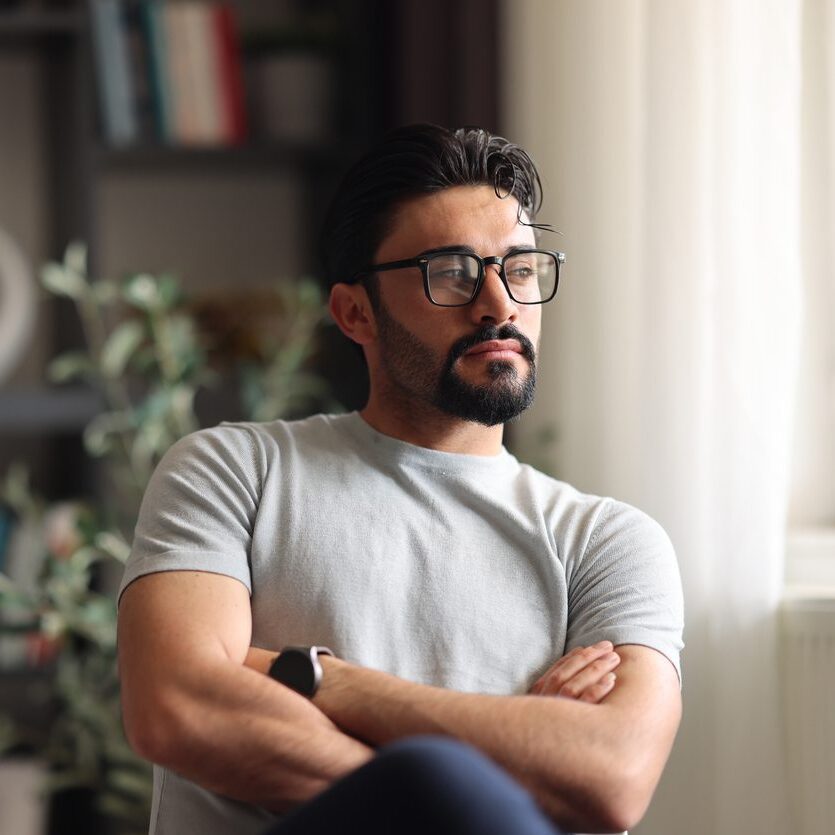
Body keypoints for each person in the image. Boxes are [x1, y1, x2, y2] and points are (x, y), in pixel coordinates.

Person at [117, 124, 684, 835]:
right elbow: (178, 710)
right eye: (449, 271)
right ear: (355, 312)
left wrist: (326, 680)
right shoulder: (232, 471)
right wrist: (470, 784)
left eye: (520, 268)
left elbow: (610, 778)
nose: (498, 304)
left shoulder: (606, 543)